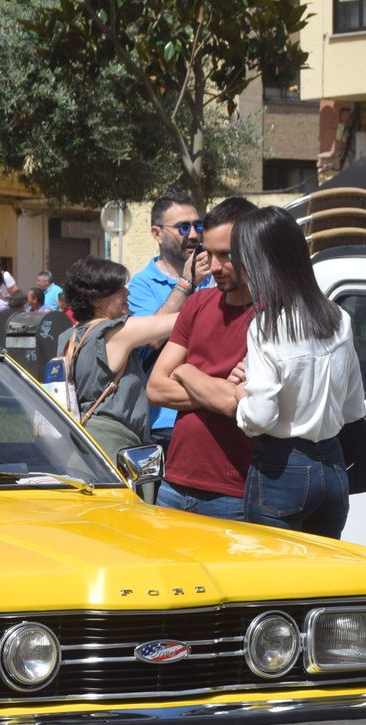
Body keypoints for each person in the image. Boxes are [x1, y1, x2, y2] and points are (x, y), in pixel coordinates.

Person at [228, 206, 366, 538]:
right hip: (334, 466)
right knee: (320, 581)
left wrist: (240, 398)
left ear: (256, 264)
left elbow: (260, 416)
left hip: (282, 466)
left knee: (272, 580)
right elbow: (352, 407)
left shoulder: (266, 328)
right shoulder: (338, 319)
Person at [146, 196, 258, 520]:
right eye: (208, 253)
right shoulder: (198, 304)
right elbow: (155, 388)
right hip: (174, 484)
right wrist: (218, 389)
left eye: (228, 255)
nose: (215, 266)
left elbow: (236, 405)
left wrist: (186, 372)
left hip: (234, 492)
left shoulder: (270, 315)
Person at [56, 257, 177, 462]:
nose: (127, 292)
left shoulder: (68, 337)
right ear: (96, 299)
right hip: (113, 447)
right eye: (119, 288)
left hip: (80, 444)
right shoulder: (114, 332)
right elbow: (177, 321)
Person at [128, 193, 213, 451]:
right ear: (157, 233)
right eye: (182, 227)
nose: (194, 235)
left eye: (198, 226)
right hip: (164, 421)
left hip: (213, 410)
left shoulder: (216, 276)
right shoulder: (141, 284)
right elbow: (151, 339)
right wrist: (187, 284)